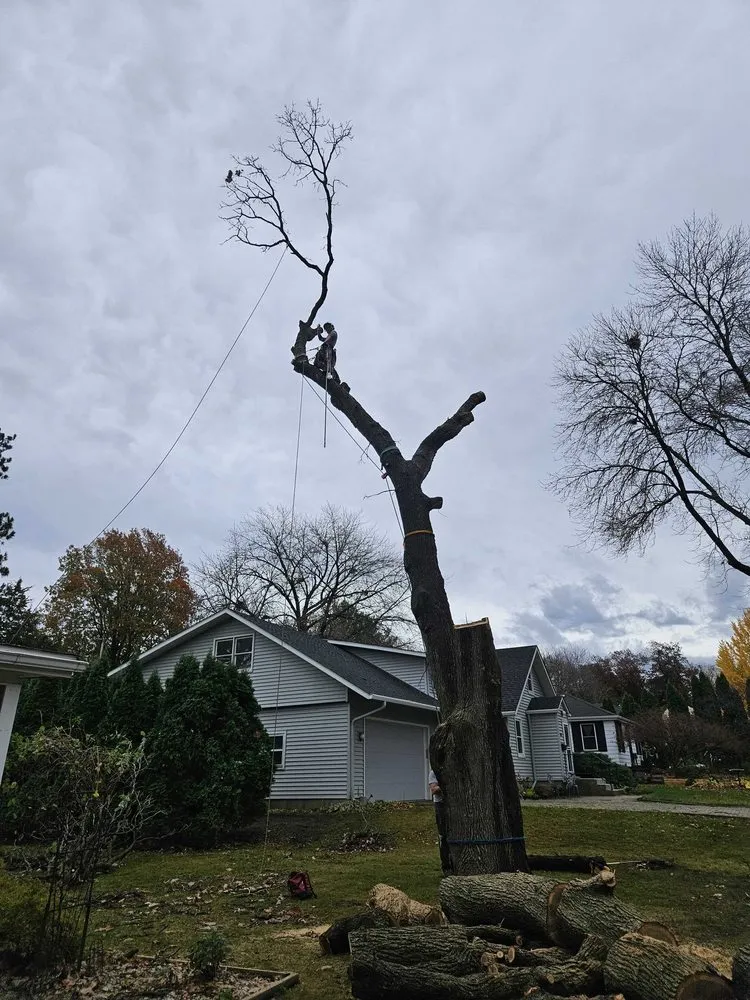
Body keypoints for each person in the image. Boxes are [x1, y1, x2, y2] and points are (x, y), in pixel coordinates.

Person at [428, 768, 452, 875]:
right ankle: (446, 866)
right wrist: (446, 785)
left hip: (453, 805)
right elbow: (433, 790)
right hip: (441, 805)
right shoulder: (434, 773)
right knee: (444, 836)